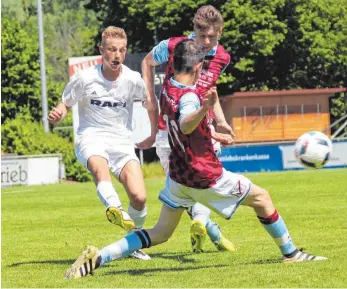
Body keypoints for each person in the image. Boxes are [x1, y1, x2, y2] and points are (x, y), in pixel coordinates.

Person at [65, 39, 327, 279]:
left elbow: (182, 126)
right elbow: (186, 123)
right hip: (204, 175)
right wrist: (204, 108)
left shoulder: (167, 88)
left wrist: (211, 131)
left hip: (178, 176)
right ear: (199, 65)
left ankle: (100, 257)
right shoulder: (191, 96)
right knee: (263, 198)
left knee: (160, 233)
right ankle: (291, 254)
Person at [48, 26, 158, 260]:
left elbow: (150, 104)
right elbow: (65, 103)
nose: (116, 55)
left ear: (125, 52)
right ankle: (114, 207)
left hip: (121, 141)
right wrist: (59, 112)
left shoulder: (133, 80)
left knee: (139, 197)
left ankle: (132, 244)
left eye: (121, 50)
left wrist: (154, 131)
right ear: (102, 51)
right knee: (100, 168)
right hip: (92, 136)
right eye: (111, 50)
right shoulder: (85, 78)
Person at [140, 5, 235, 253]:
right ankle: (210, 230)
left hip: (202, 130)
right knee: (186, 187)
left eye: (212, 37)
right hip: (169, 131)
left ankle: (203, 224)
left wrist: (221, 120)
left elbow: (209, 91)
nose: (205, 42)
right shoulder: (173, 46)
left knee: (200, 182)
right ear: (193, 29)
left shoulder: (222, 58)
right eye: (201, 35)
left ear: (220, 32)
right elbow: (147, 62)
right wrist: (149, 95)